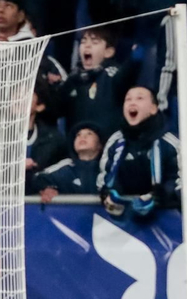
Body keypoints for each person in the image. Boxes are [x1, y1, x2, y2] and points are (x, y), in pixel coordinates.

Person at [99, 87, 179, 220]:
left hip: (165, 221)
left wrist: (161, 197)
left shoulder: (170, 143)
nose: (132, 102)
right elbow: (104, 178)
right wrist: (108, 195)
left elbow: (182, 180)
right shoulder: (115, 141)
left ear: (153, 109)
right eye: (128, 99)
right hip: (122, 225)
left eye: (140, 98)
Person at [59, 28, 131, 136]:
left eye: (94, 42)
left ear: (108, 52)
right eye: (83, 41)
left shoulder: (112, 74)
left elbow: (127, 75)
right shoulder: (73, 78)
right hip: (78, 147)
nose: (87, 45)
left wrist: (135, 58)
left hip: (107, 144)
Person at [34, 122, 104, 203]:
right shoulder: (66, 167)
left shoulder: (107, 167)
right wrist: (47, 188)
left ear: (100, 145)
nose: (82, 137)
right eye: (78, 135)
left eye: (89, 134)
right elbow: (38, 177)